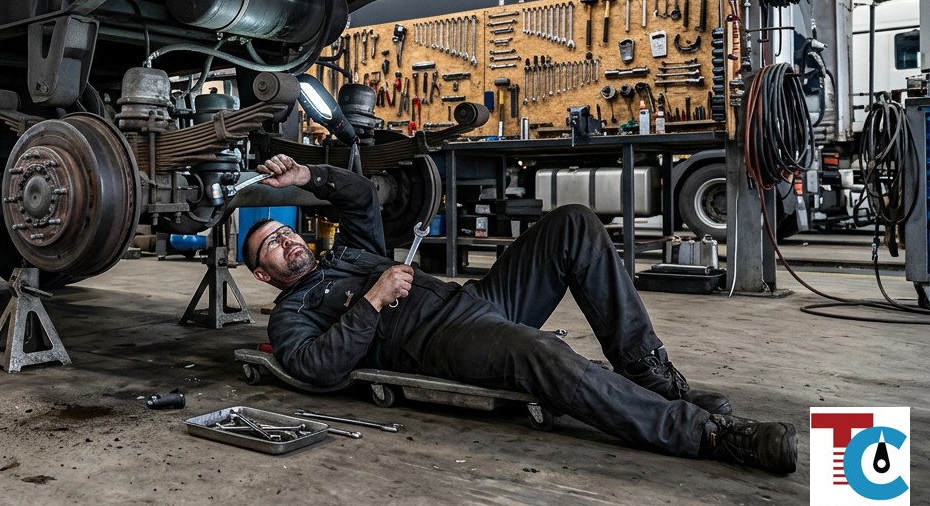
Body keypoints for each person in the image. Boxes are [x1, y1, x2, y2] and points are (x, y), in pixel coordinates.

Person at [241, 154, 798, 474]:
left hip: (477, 299)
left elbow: (361, 196)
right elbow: (316, 367)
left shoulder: (349, 251)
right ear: (262, 274)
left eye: (287, 230)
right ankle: (709, 435)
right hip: (440, 342)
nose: (287, 241)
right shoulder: (291, 315)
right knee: (541, 353)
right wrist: (373, 300)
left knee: (574, 223)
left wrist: (307, 177)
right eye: (271, 244)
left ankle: (654, 381)